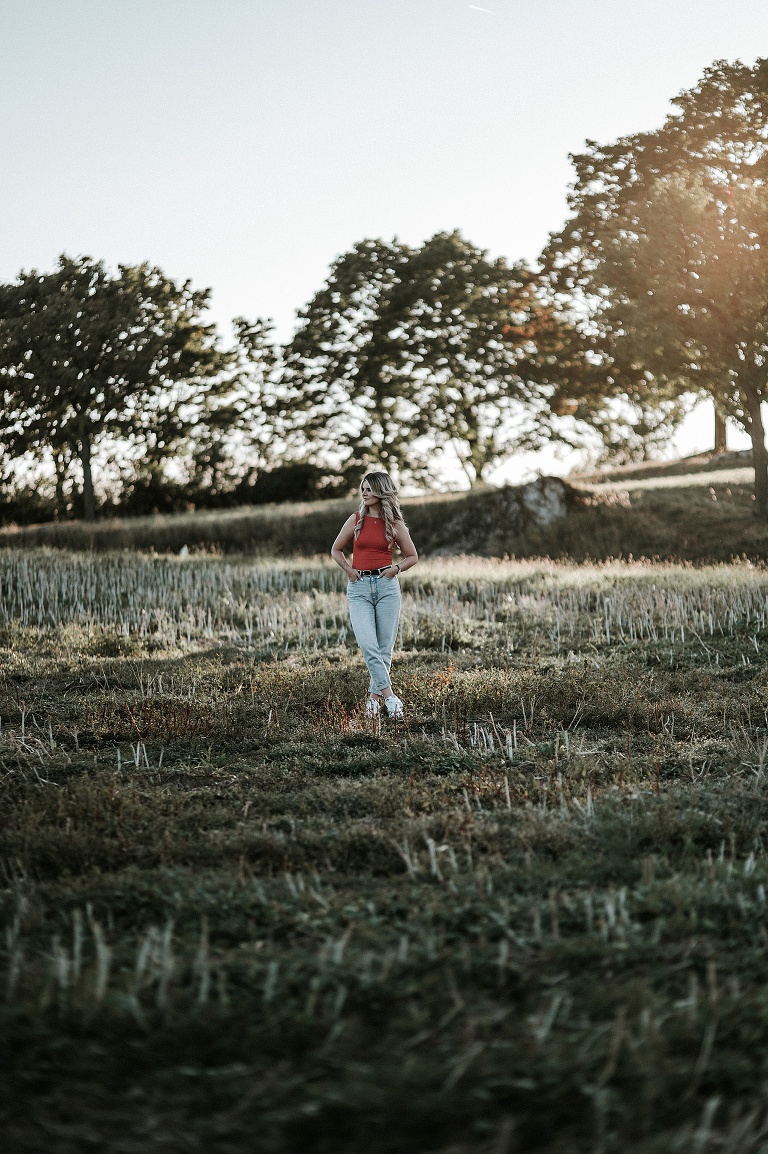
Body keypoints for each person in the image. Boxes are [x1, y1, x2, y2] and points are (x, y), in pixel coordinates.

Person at [331, 471, 418, 719]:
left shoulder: (395, 525)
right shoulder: (355, 519)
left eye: (369, 489)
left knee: (384, 648)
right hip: (359, 588)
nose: (364, 492)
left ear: (382, 491)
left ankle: (372, 701)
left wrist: (396, 569)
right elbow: (336, 549)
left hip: (386, 586)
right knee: (368, 645)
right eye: (363, 489)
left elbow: (413, 556)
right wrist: (348, 570)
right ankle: (390, 697)